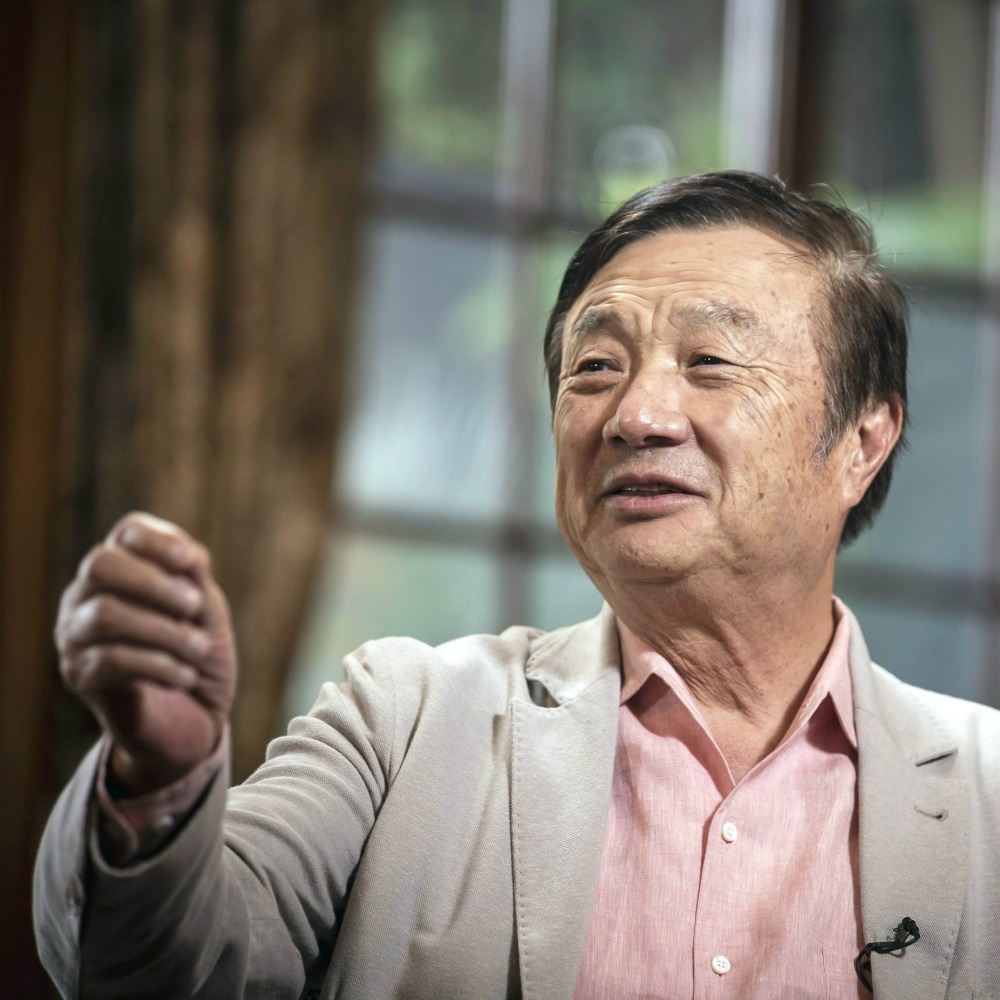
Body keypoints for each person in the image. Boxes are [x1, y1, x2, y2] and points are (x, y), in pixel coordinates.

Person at [34, 171, 1000, 1000]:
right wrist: (158, 778)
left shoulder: (986, 793)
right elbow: (164, 969)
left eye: (709, 362)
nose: (636, 414)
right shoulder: (403, 719)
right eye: (595, 367)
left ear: (862, 441)